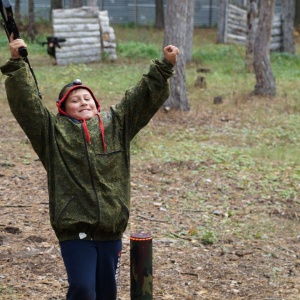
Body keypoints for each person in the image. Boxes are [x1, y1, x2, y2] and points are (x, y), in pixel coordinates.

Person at [0, 36, 179, 300]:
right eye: (75, 100)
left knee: (107, 294)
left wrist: (164, 66)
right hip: (75, 229)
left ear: (96, 106)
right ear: (62, 109)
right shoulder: (51, 132)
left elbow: (139, 98)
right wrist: (17, 64)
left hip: (111, 229)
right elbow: (27, 104)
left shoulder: (117, 124)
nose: (83, 102)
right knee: (83, 289)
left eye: (87, 98)